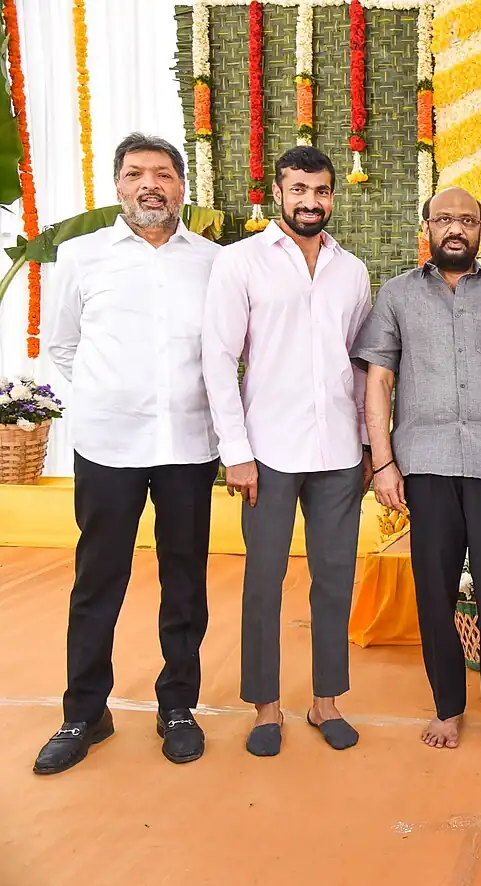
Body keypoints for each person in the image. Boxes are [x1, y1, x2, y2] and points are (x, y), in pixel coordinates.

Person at [35, 133, 221, 775]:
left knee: (185, 581)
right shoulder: (82, 257)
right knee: (98, 580)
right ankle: (85, 712)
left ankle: (177, 706)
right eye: (137, 173)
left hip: (190, 447)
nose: (151, 184)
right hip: (109, 447)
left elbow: (224, 354)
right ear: (117, 185)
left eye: (164, 174)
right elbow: (60, 346)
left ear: (181, 186)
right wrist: (97, 401)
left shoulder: (211, 261)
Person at [353, 187, 481, 754]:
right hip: (425, 465)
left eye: (467, 220)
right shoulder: (395, 297)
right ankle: (447, 708)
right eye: (445, 219)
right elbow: (379, 382)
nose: (456, 228)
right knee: (434, 590)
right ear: (428, 228)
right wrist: (384, 461)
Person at [203, 146, 372, 757]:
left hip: (337, 455)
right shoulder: (240, 263)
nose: (311, 201)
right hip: (266, 452)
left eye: (321, 191)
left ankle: (326, 702)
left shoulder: (352, 271)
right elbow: (219, 361)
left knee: (334, 579)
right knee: (263, 582)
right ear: (278, 191)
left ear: (333, 195)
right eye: (299, 189)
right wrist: (236, 452)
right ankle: (265, 707)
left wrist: (364, 445)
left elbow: (359, 366)